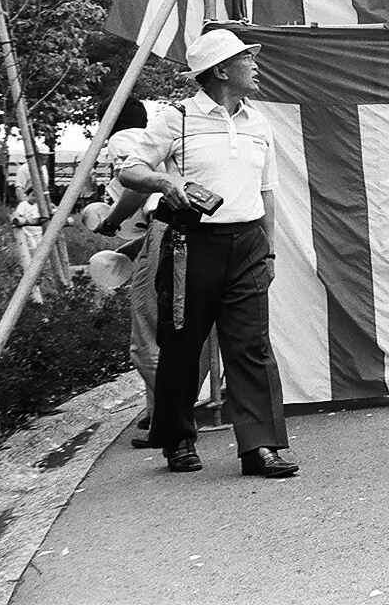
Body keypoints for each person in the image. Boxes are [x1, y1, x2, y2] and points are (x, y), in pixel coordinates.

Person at [117, 30, 298, 478]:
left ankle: (261, 447)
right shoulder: (175, 119)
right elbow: (129, 168)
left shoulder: (259, 123)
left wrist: (270, 252)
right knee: (182, 343)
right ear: (221, 70)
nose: (255, 65)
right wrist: (164, 183)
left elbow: (267, 192)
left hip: (248, 245)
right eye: (246, 59)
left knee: (252, 347)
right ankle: (177, 440)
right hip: (189, 245)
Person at [89, 97, 165, 446]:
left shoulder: (121, 142)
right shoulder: (155, 135)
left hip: (158, 237)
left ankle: (169, 411)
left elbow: (139, 187)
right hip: (175, 234)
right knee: (173, 328)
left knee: (145, 339)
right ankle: (156, 408)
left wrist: (112, 221)